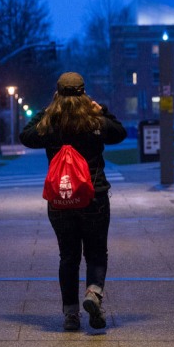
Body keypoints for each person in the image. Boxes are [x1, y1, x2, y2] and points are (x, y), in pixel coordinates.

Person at [19, 72, 127, 331]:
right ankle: (93, 294)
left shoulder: (50, 123)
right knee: (96, 253)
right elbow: (119, 132)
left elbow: (26, 135)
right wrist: (102, 109)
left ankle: (70, 314)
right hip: (94, 196)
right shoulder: (93, 121)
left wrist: (47, 108)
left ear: (58, 93)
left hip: (61, 200)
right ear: (83, 93)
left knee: (68, 257)